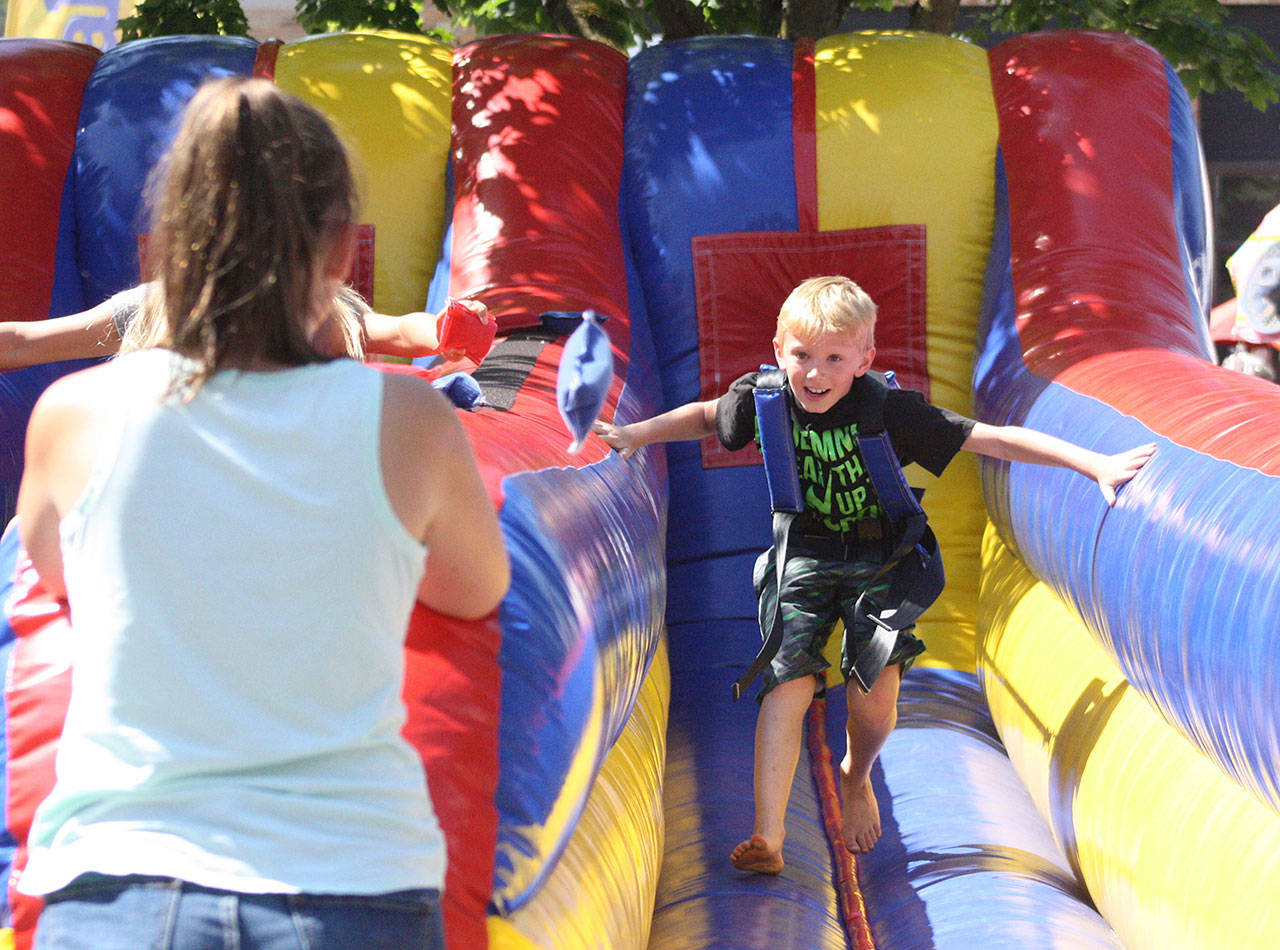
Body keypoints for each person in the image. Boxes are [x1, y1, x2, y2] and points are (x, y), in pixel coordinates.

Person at [15, 76, 510, 949]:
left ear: (168, 239)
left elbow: (55, 573)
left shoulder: (76, 417)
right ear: (333, 249)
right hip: (353, 880)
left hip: (125, 878)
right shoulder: (407, 424)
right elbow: (477, 591)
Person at [592, 275, 1154, 875]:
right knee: (788, 681)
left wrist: (1091, 461)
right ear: (779, 349)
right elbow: (707, 416)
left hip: (881, 556)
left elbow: (991, 438)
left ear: (864, 360)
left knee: (871, 695)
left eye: (835, 358)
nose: (815, 373)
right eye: (802, 356)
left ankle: (856, 775)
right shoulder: (765, 397)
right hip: (804, 549)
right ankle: (769, 835)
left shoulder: (888, 409)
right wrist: (635, 435)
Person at [0, 281, 493, 373]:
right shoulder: (157, 307)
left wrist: (446, 330)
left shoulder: (322, 308)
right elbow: (24, 341)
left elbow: (398, 331)